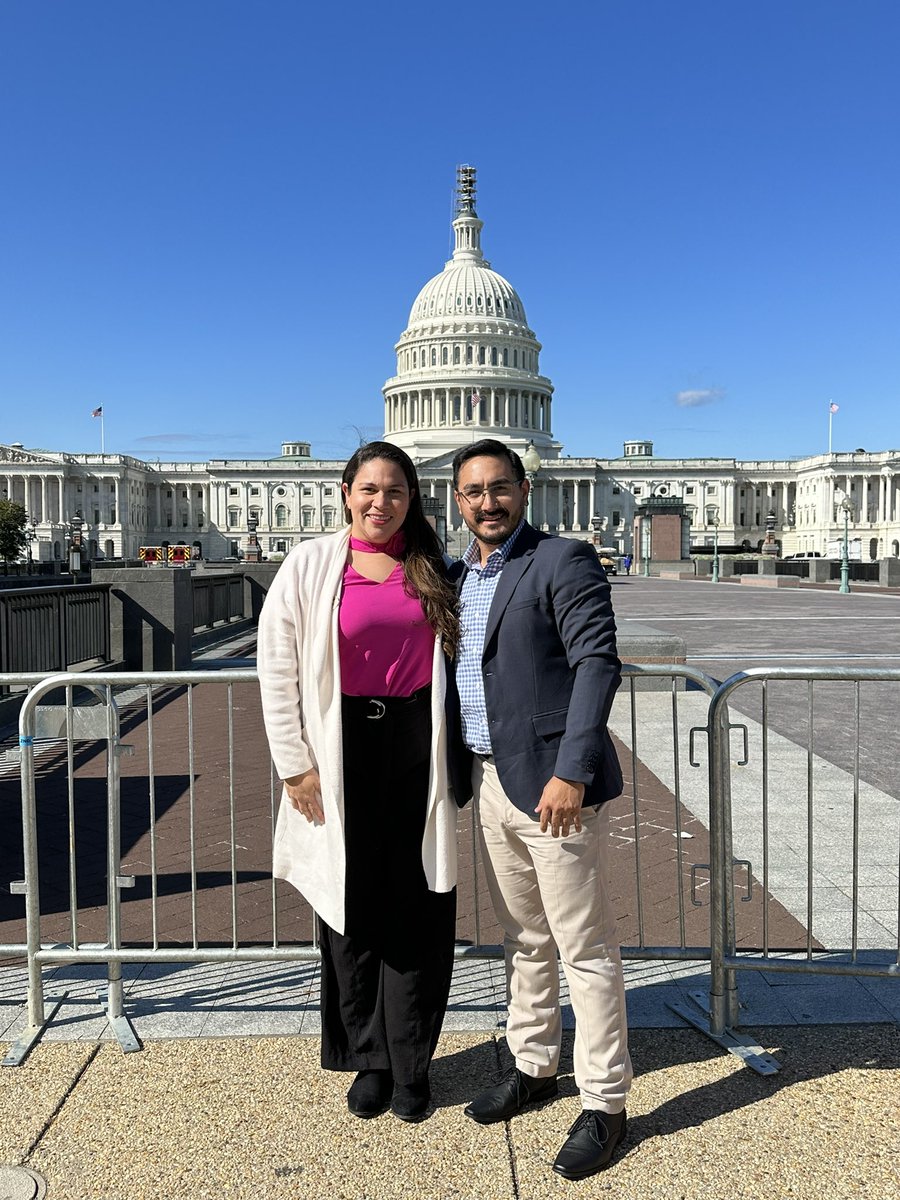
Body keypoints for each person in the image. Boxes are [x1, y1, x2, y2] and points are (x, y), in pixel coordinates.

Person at [257, 441, 460, 1124]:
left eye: (395, 490)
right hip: (339, 749)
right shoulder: (311, 564)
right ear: (346, 491)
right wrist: (294, 763)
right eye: (369, 488)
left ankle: (412, 1066)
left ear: (412, 497)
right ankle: (366, 1060)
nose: (381, 502)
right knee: (349, 915)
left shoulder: (432, 567)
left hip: (416, 748)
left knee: (419, 914)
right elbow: (277, 667)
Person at [446, 438, 631, 1180]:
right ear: (458, 501)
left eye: (499, 488)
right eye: (472, 492)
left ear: (524, 489)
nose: (487, 502)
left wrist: (573, 770)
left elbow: (597, 661)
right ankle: (532, 1065)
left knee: (583, 946)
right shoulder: (458, 575)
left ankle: (606, 1102)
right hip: (490, 779)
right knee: (523, 937)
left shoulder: (563, 559)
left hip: (554, 785)